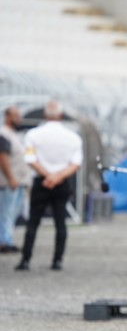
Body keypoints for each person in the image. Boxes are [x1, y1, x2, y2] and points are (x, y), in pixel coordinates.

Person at [15, 100, 83, 272]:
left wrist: (47, 176)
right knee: (60, 221)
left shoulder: (33, 134)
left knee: (33, 222)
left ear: (45, 115)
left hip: (41, 181)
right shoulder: (73, 137)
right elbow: (75, 164)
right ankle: (57, 260)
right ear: (60, 115)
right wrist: (58, 176)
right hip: (61, 182)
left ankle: (26, 259)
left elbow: (30, 159)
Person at [0, 106, 31, 254]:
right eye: (16, 116)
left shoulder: (13, 135)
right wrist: (11, 178)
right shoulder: (3, 134)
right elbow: (3, 158)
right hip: (8, 183)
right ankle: (4, 241)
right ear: (8, 117)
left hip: (17, 182)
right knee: (6, 213)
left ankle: (7, 239)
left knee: (11, 213)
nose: (19, 119)